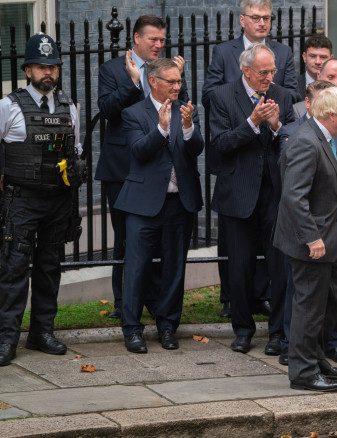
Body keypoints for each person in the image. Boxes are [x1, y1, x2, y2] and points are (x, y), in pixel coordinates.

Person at [274, 86, 337, 392]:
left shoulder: (322, 136)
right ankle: (302, 372)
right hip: (311, 242)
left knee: (333, 297)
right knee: (310, 306)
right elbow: (293, 196)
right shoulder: (305, 142)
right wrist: (312, 238)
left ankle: (315, 357)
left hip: (328, 238)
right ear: (330, 115)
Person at [0, 33, 84, 366]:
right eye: (40, 67)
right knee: (13, 270)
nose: (47, 72)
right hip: (20, 201)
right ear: (28, 71)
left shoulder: (68, 106)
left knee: (50, 268)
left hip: (57, 201)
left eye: (52, 67)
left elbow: (75, 151)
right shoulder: (8, 106)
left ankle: (41, 332)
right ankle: (6, 338)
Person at [96, 15, 187, 320]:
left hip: (160, 169)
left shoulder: (168, 71)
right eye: (153, 39)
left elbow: (181, 112)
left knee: (160, 241)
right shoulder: (111, 69)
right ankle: (124, 303)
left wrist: (177, 82)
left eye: (162, 39)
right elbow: (108, 110)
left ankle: (158, 304)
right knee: (125, 239)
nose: (159, 45)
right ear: (136, 38)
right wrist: (135, 83)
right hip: (122, 169)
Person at [207, 42, 294, 355]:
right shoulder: (221, 96)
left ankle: (278, 334)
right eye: (263, 72)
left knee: (279, 266)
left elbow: (297, 141)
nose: (269, 76)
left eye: (272, 70)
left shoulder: (283, 96)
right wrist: (253, 123)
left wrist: (277, 125)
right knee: (240, 268)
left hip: (275, 193)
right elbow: (220, 143)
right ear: (245, 70)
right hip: (238, 193)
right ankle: (242, 330)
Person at [115, 58, 203, 353]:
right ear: (153, 81)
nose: (178, 86)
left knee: (174, 268)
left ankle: (167, 326)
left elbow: (196, 149)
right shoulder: (133, 113)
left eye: (179, 81)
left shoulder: (185, 109)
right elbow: (139, 152)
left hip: (179, 202)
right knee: (137, 268)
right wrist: (162, 129)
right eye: (172, 82)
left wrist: (188, 128)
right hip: (143, 205)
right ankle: (132, 329)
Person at [202, 0, 297, 107]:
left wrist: (274, 91)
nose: (262, 23)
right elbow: (209, 97)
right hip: (235, 122)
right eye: (255, 18)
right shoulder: (223, 52)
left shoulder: (284, 52)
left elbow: (294, 96)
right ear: (242, 21)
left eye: (266, 18)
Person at [296, 34, 333, 102]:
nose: (318, 62)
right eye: (312, 56)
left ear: (331, 59)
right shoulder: (293, 87)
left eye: (323, 57)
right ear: (304, 57)